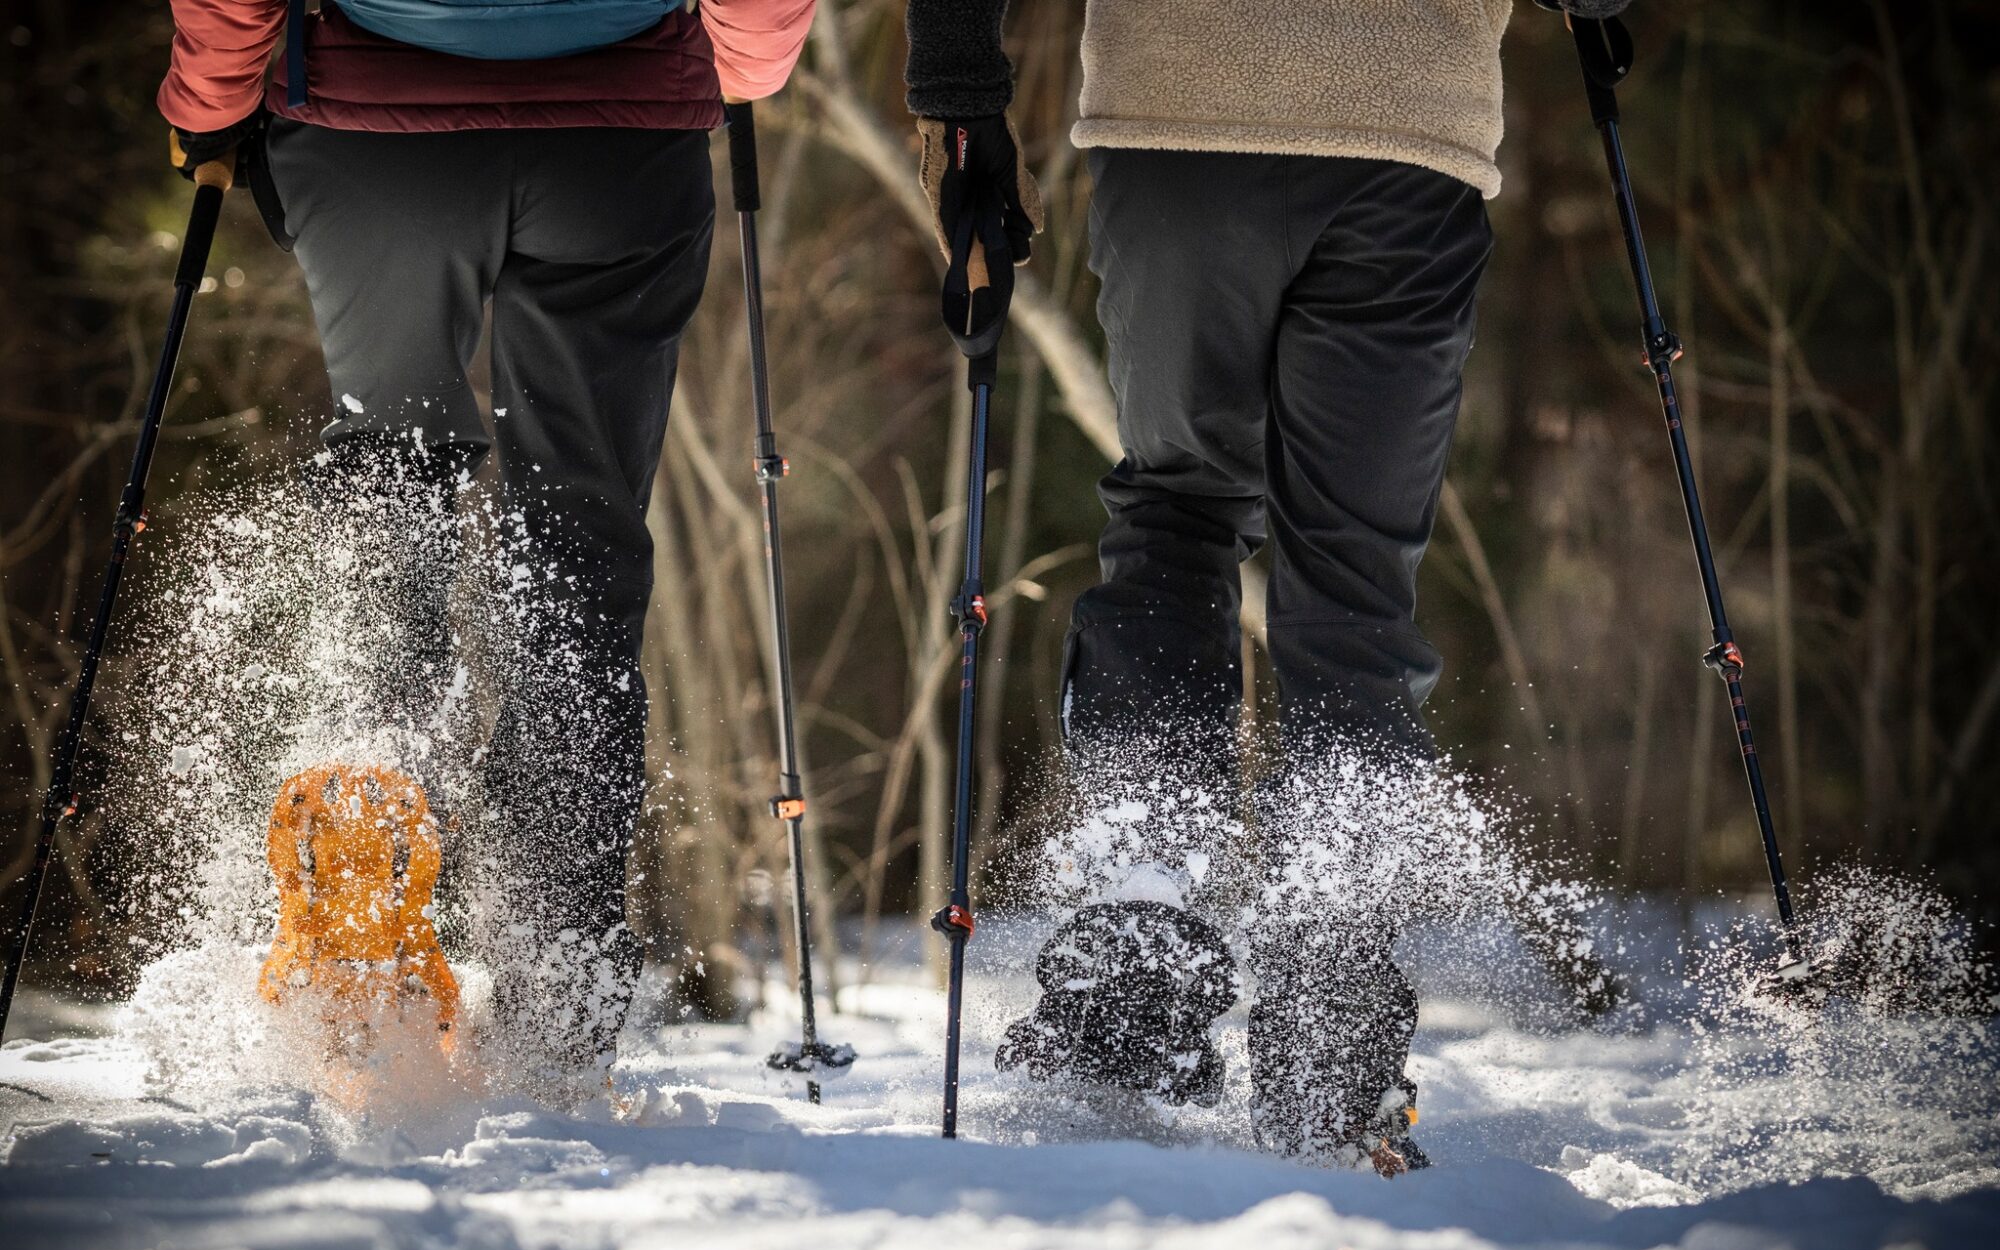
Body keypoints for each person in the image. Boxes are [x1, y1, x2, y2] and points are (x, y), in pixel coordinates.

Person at [906, 0, 1630, 1174]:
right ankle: (1331, 1030)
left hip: (1178, 117)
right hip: (1406, 130)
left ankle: (1133, 952)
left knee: (1175, 518)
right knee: (1350, 592)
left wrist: (957, 96)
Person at [158, 0, 814, 1099]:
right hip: (620, 137)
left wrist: (210, 100)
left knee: (391, 484)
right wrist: (742, 67)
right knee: (577, 544)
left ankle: (358, 974)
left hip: (376, 134)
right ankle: (555, 1011)